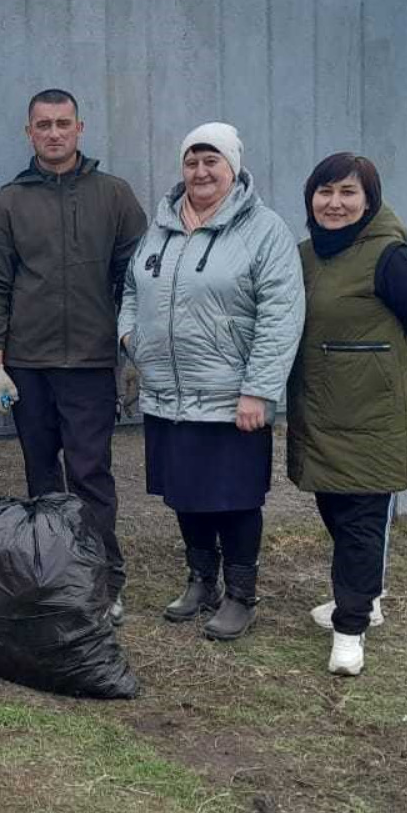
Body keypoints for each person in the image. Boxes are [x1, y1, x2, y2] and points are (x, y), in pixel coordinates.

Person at [117, 123, 304, 641]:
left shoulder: (263, 231)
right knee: (185, 494)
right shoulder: (161, 227)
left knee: (235, 498)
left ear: (234, 167)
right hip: (168, 392)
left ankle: (242, 594)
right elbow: (133, 288)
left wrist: (259, 390)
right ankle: (202, 581)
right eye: (192, 162)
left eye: (211, 161)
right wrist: (132, 338)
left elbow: (280, 316)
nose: (200, 172)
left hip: (230, 396)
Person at [0, 89, 146, 623]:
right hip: (28, 364)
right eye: (43, 124)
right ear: (29, 132)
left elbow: (138, 279)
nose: (54, 133)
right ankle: (54, 575)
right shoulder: (8, 201)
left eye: (63, 123)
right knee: (40, 473)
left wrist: (133, 350)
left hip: (93, 363)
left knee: (91, 472)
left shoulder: (113, 195)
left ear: (81, 128)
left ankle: (102, 576)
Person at [287, 152, 407, 677]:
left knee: (361, 522)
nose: (335, 203)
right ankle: (365, 596)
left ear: (369, 200)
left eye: (348, 193)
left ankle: (350, 628)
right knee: (334, 511)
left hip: (372, 417)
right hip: (323, 410)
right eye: (325, 192)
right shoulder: (307, 255)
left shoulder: (390, 257)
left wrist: (374, 369)